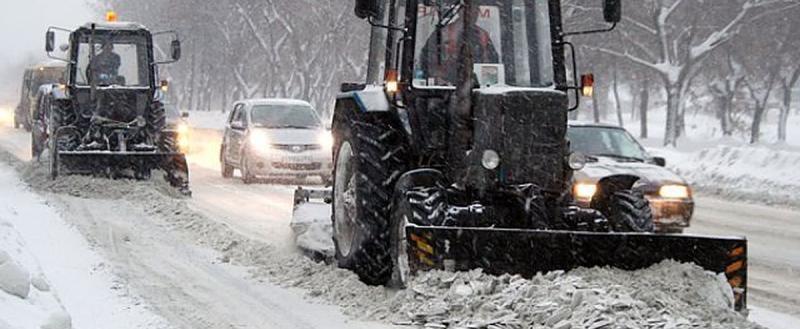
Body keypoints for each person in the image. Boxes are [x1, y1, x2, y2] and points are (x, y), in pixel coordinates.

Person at [419, 5, 499, 86]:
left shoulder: (483, 36)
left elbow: (493, 65)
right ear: (460, 12)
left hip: (476, 88)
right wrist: (437, 78)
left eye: (476, 11)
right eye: (469, 10)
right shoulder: (442, 34)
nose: (473, 14)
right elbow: (426, 62)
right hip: (445, 89)